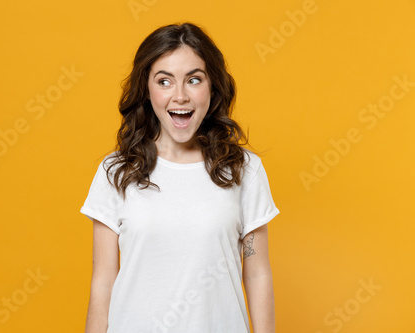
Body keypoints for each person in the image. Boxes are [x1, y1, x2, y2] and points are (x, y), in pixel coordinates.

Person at [81, 22, 280, 333]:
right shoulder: (116, 172)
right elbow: (103, 281)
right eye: (164, 81)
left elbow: (257, 274)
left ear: (212, 88)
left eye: (194, 80)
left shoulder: (244, 170)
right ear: (146, 90)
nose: (180, 96)